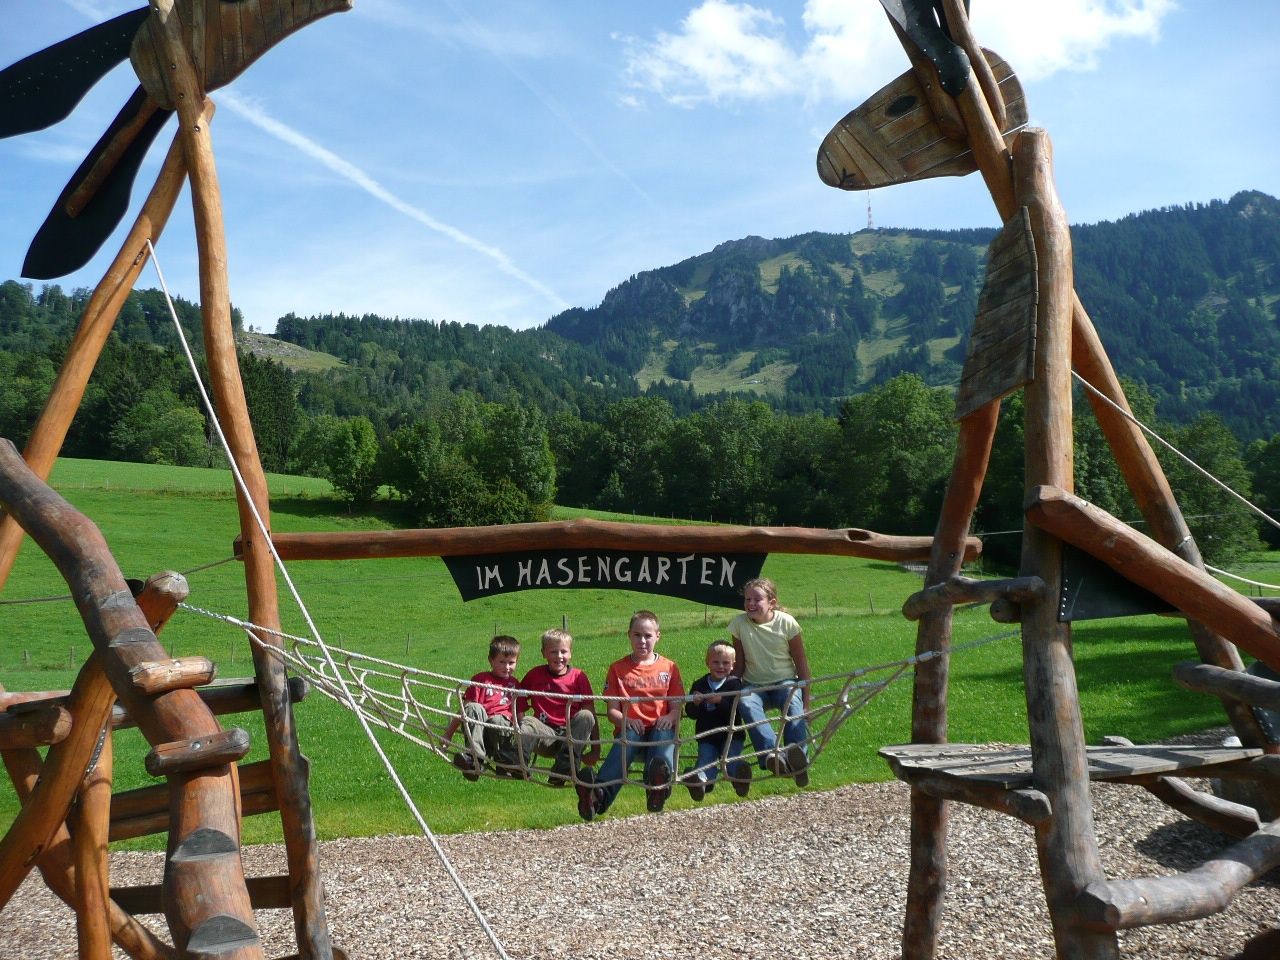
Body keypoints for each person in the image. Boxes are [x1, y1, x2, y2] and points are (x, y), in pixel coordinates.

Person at [577, 610, 684, 821]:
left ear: (657, 636)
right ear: (629, 635)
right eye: (637, 635)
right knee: (629, 737)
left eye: (648, 636)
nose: (642, 641)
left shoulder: (669, 667)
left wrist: (671, 717)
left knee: (663, 733)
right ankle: (597, 796)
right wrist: (627, 721)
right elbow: (612, 711)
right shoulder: (618, 669)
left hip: (658, 732)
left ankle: (658, 787)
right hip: (632, 732)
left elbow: (677, 705)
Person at [728, 577, 812, 787]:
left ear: (772, 602)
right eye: (747, 599)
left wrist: (807, 703)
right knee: (746, 702)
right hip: (754, 685)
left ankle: (797, 757)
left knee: (793, 704)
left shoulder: (786, 622)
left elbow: (801, 664)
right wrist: (725, 688)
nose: (751, 604)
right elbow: (739, 664)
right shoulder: (739, 624)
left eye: (757, 599)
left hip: (784, 681)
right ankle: (771, 756)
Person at [517, 628, 601, 786]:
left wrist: (596, 750)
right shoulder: (535, 675)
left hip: (571, 739)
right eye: (554, 652)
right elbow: (517, 699)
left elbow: (591, 714)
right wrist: (518, 724)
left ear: (570, 653)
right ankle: (519, 763)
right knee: (529, 720)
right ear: (544, 653)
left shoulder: (579, 677)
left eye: (564, 651)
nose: (559, 656)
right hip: (545, 736)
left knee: (586, 716)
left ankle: (563, 770)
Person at [443, 635, 522, 781]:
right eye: (502, 662)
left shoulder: (516, 686)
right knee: (473, 707)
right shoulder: (481, 680)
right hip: (478, 732)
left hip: (500, 736)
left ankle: (504, 763)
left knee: (499, 719)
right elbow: (464, 709)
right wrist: (448, 734)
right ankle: (474, 760)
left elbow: (520, 715)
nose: (507, 667)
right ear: (491, 661)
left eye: (511, 663)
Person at [682, 639, 751, 800]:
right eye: (716, 662)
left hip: (731, 734)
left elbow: (737, 710)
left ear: (733, 665)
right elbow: (691, 713)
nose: (721, 666)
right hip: (707, 735)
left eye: (726, 663)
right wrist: (695, 703)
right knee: (706, 759)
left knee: (730, 759)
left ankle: (740, 778)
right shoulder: (699, 684)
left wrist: (720, 702)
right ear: (708, 663)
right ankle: (699, 782)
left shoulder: (734, 684)